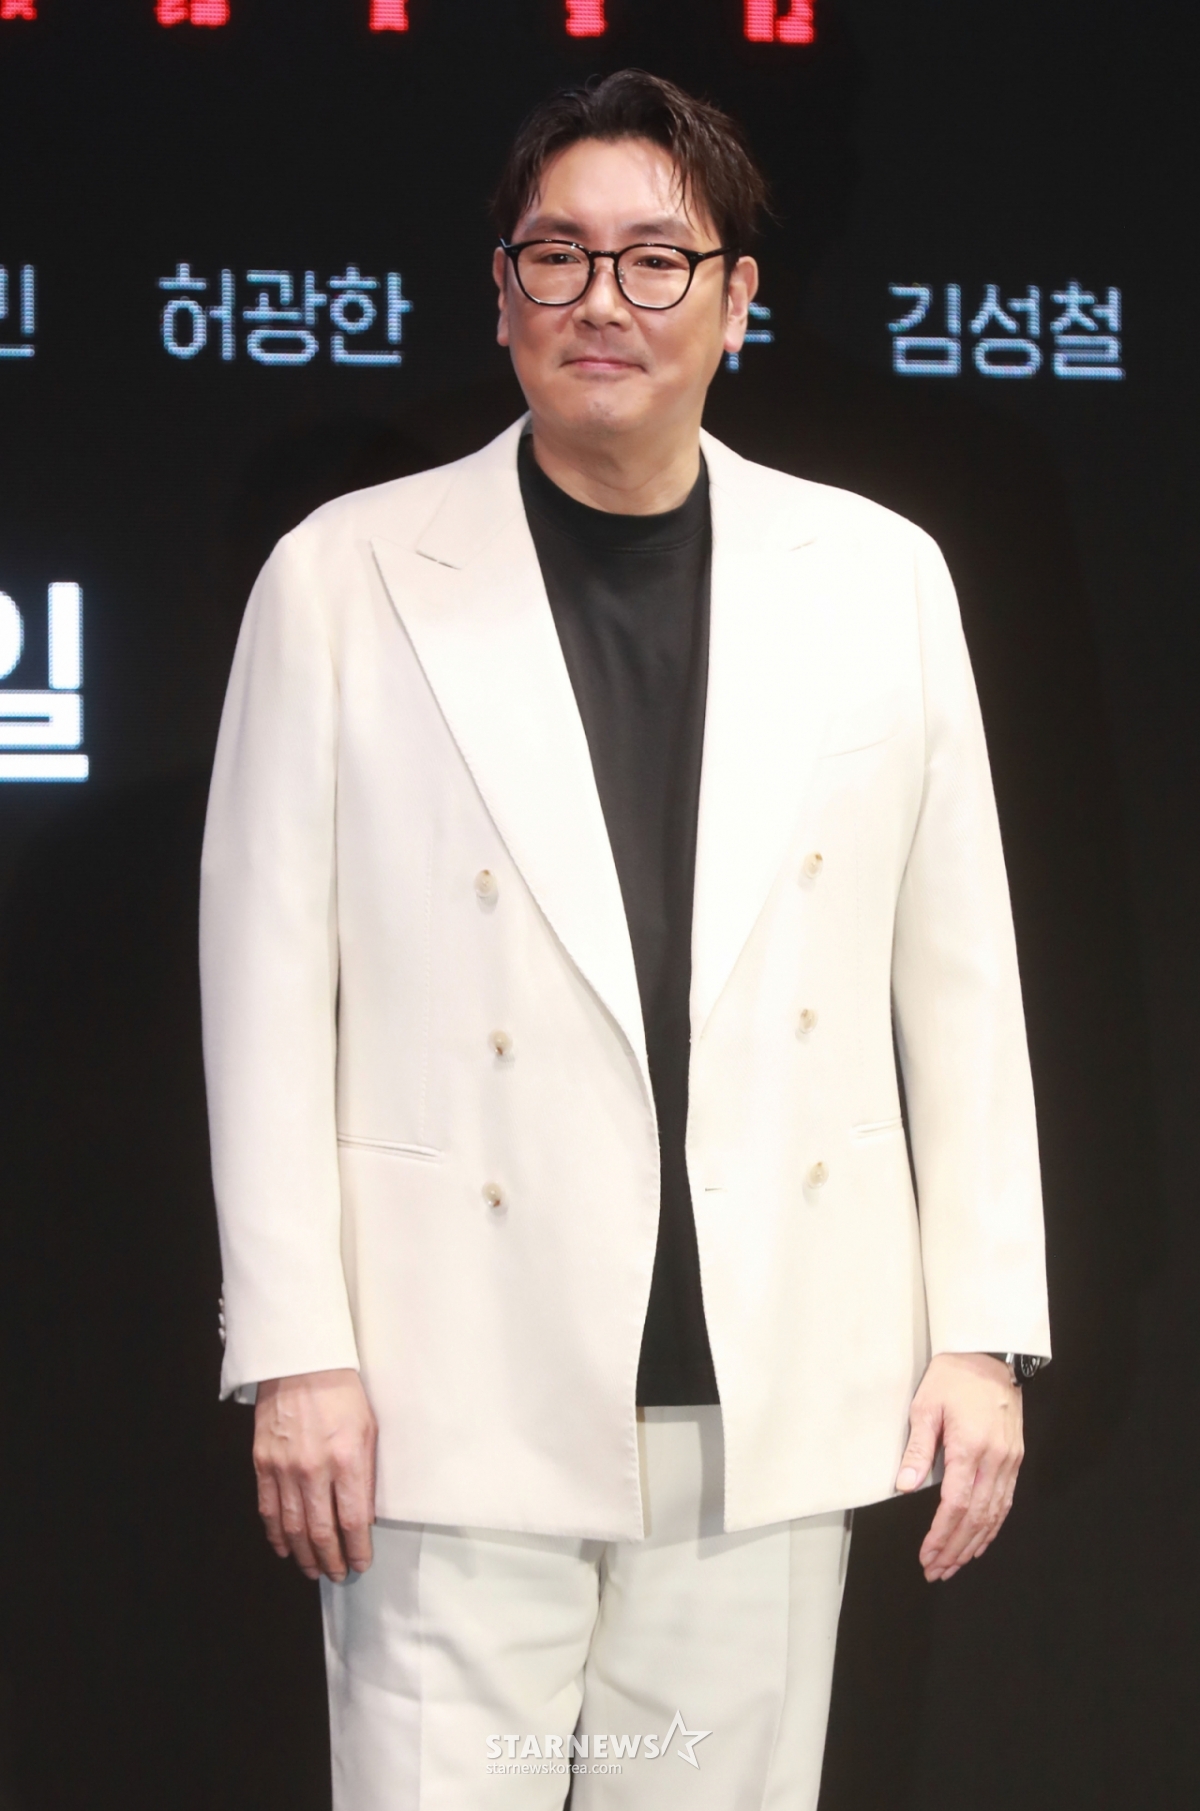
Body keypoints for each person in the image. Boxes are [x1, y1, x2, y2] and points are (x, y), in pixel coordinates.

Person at [200, 69, 1051, 1811]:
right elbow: (266, 992)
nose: (605, 298)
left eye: (658, 259)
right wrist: (295, 1347)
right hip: (442, 1388)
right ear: (500, 290)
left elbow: (960, 983)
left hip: (772, 1378)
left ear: (738, 301)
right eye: (559, 254)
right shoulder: (344, 578)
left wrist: (979, 1331)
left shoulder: (879, 576)